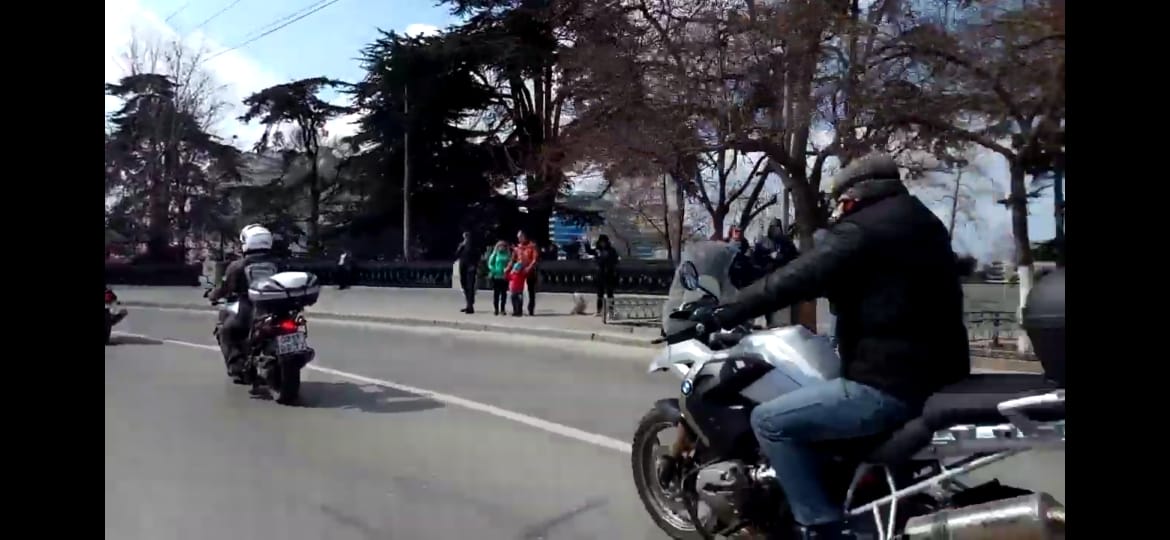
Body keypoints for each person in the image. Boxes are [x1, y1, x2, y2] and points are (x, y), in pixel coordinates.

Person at [699, 153, 970, 539]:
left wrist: (724, 312)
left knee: (769, 423)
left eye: (840, 201)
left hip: (888, 386)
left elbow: (796, 278)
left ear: (854, 196)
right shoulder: (924, 222)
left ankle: (818, 526)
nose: (839, 210)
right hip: (940, 376)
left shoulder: (861, 230)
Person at [207, 224, 280, 382]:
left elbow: (224, 288)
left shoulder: (237, 266)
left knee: (226, 330)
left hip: (249, 308)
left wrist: (213, 295)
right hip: (277, 308)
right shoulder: (279, 263)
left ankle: (237, 366)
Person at [752, 218, 800, 328]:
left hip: (782, 278)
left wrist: (782, 257)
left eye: (778, 228)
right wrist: (769, 257)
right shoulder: (763, 242)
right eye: (774, 228)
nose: (776, 230)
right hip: (767, 278)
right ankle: (768, 324)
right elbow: (756, 259)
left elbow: (794, 257)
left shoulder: (786, 242)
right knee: (767, 306)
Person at [584, 234, 620, 316]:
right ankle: (599, 311)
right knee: (600, 293)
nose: (602, 244)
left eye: (603, 242)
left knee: (610, 293)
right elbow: (590, 251)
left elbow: (615, 261)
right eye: (601, 242)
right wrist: (586, 243)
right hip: (600, 273)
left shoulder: (611, 250)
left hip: (609, 273)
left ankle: (611, 311)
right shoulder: (598, 250)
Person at [511, 230, 540, 316]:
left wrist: (529, 268)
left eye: (520, 237)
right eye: (518, 237)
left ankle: (530, 309)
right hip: (519, 273)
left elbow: (535, 259)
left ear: (524, 236)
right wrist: (510, 269)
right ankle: (518, 309)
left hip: (530, 273)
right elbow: (513, 260)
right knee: (517, 291)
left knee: (531, 291)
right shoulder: (518, 248)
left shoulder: (532, 246)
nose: (519, 239)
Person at [454, 231, 480, 314]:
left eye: (467, 237)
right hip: (463, 268)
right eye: (464, 237)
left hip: (471, 268)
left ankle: (470, 307)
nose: (466, 238)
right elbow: (456, 255)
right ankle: (468, 304)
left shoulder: (473, 246)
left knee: (470, 287)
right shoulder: (462, 245)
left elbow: (477, 256)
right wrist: (461, 246)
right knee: (464, 285)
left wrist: (475, 265)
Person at [486, 240, 511, 316]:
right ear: (497, 247)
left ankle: (502, 309)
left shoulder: (507, 255)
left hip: (504, 276)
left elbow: (510, 263)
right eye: (500, 246)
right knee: (496, 294)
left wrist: (507, 269)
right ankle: (496, 309)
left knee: (504, 294)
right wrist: (494, 270)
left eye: (503, 246)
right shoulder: (495, 254)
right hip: (496, 276)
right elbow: (490, 264)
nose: (501, 247)